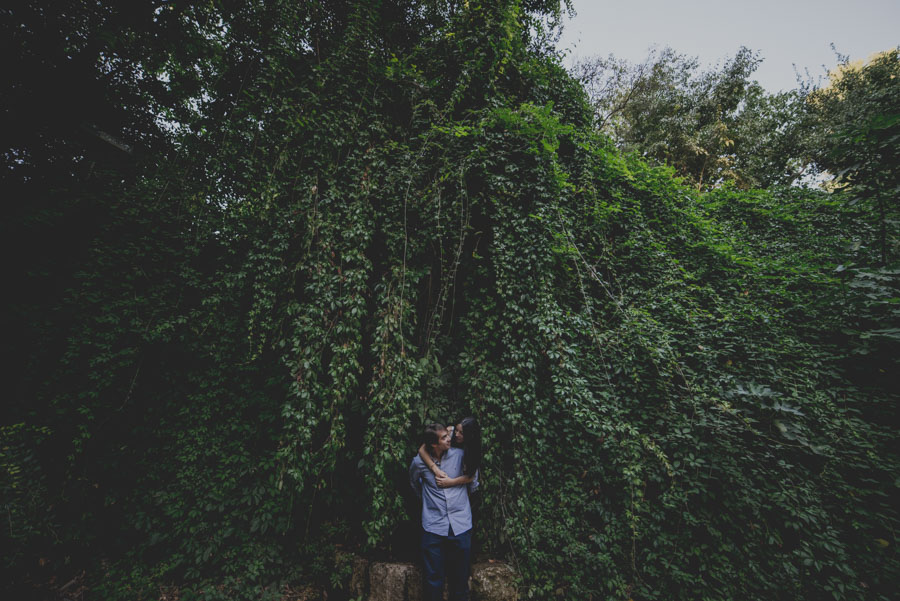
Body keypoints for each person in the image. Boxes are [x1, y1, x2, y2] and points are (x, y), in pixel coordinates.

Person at [409, 423, 479, 601]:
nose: (450, 437)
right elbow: (414, 483)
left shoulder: (460, 455)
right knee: (433, 580)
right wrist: (429, 501)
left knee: (460, 580)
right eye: (444, 437)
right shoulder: (419, 462)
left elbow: (473, 482)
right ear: (434, 444)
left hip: (460, 525)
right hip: (433, 526)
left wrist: (458, 495)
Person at [417, 417, 481, 489]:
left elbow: (471, 476)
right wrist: (435, 469)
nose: (456, 434)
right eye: (456, 430)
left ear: (470, 435)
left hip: (466, 482)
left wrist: (450, 482)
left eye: (462, 433)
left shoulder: (473, 448)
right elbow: (422, 450)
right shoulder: (450, 431)